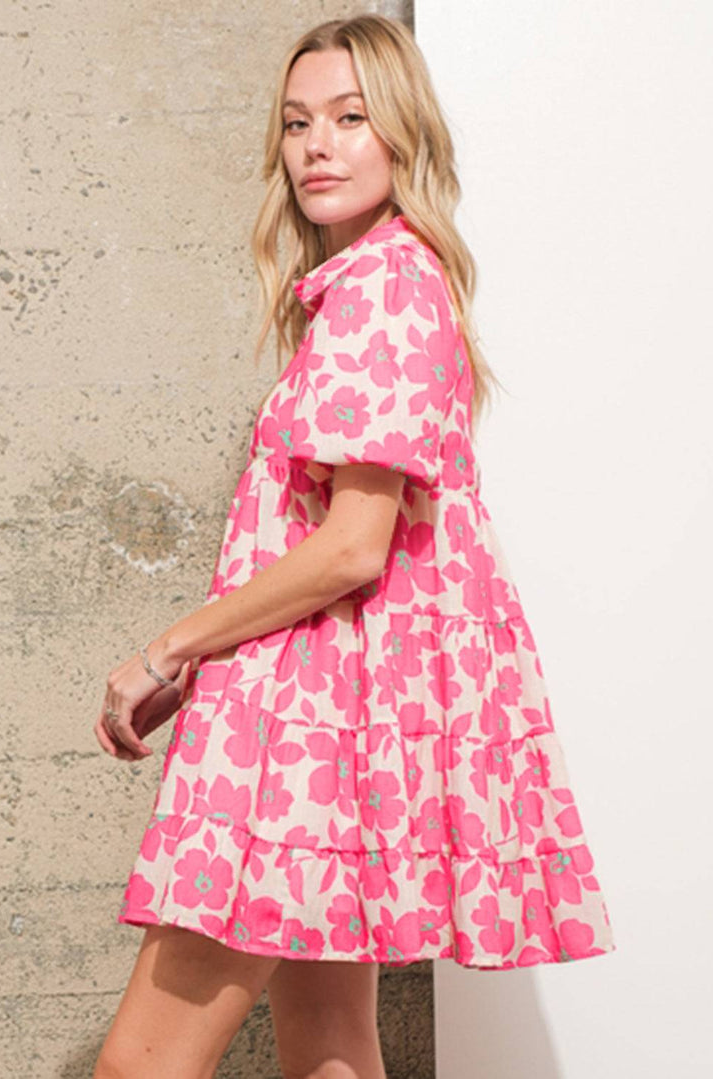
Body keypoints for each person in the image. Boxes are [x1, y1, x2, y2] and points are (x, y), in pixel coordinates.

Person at [92, 13, 616, 1079]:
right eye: (296, 122)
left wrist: (172, 648)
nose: (316, 145)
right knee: (330, 1052)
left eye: (349, 117)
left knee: (139, 1067)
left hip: (299, 741)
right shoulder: (399, 283)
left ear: (403, 137)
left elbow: (352, 548)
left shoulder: (379, 290)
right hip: (345, 734)